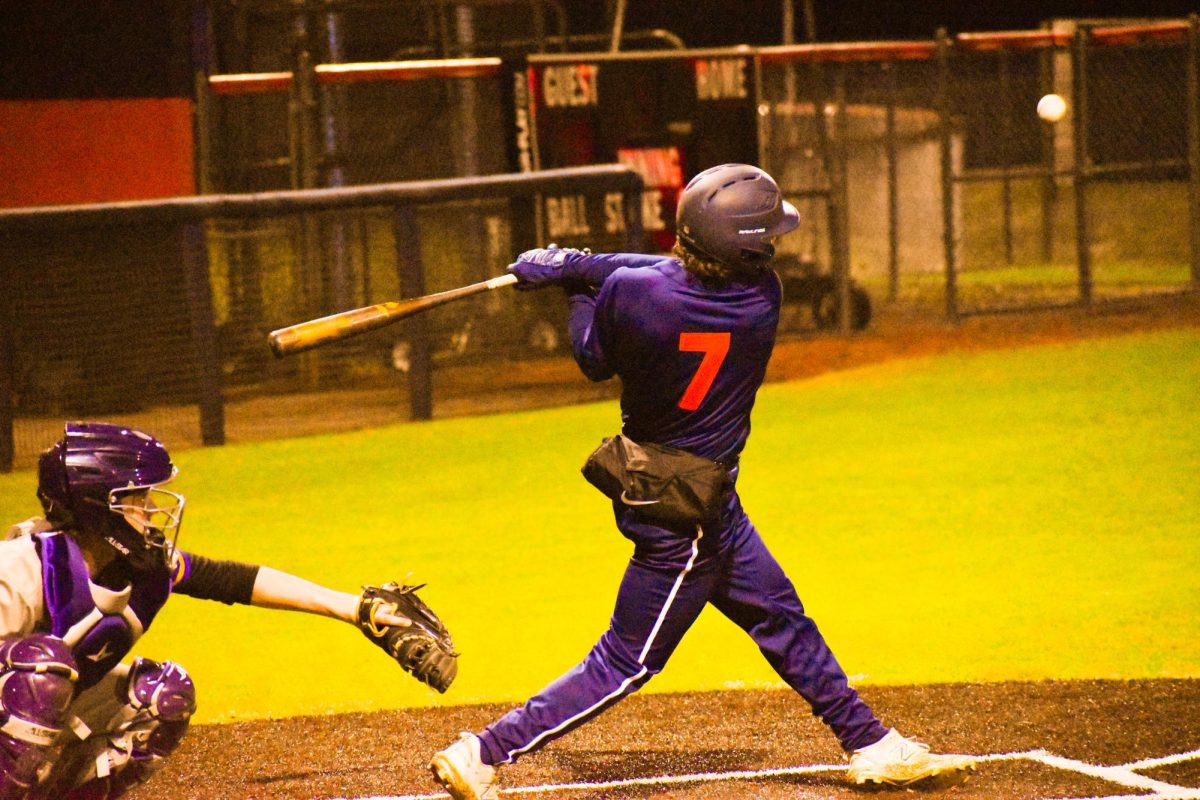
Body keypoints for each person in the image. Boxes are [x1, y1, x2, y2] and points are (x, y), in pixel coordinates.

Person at [428, 163, 976, 799]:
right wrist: (580, 262)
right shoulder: (759, 297)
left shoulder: (635, 296)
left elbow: (591, 355)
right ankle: (483, 753)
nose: (773, 245)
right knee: (625, 661)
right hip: (686, 516)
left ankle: (872, 743)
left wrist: (572, 281)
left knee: (779, 613)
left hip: (686, 501)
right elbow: (654, 269)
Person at [0, 421, 447, 800]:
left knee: (162, 696)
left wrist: (355, 609)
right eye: (136, 500)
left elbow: (231, 580)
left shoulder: (140, 565)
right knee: (39, 671)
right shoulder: (21, 571)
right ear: (98, 509)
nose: (152, 511)